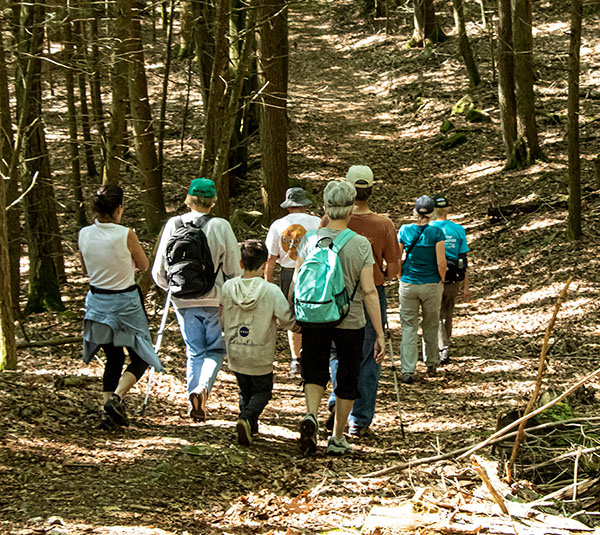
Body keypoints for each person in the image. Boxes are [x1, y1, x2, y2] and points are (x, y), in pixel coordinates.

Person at [295, 180, 385, 456]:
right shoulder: (359, 244)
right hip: (350, 319)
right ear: (350, 210)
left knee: (315, 368)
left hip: (313, 315)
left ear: (325, 207)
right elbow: (369, 291)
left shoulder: (309, 239)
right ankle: (337, 436)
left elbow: (298, 280)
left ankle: (311, 414)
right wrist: (380, 332)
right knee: (347, 375)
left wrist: (294, 314)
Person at [152, 178, 242, 422]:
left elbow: (158, 272)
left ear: (189, 198)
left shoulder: (173, 223)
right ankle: (201, 390)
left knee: (194, 351)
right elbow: (234, 268)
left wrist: (173, 290)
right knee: (215, 349)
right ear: (213, 201)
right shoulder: (221, 226)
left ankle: (191, 399)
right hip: (215, 300)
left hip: (182, 300)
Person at [79, 185, 164, 429]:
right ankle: (116, 399)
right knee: (141, 357)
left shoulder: (84, 233)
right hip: (125, 303)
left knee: (113, 357)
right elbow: (144, 265)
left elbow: (85, 270)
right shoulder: (126, 234)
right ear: (118, 209)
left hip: (97, 302)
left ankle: (108, 413)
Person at [328, 165, 400, 437]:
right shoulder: (383, 224)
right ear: (371, 190)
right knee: (370, 356)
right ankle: (359, 420)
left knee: (338, 352)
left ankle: (337, 403)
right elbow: (393, 270)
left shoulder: (329, 221)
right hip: (373, 294)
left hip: (334, 293)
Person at [220, 239, 297, 446]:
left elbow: (221, 316)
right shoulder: (270, 291)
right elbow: (286, 319)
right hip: (260, 350)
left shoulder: (228, 287)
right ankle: (246, 418)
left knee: (245, 390)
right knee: (263, 391)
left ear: (241, 264)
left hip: (235, 348)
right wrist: (298, 325)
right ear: (264, 265)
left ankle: (250, 429)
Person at [265, 187, 320, 374]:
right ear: (304, 204)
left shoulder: (278, 225)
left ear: (288, 206)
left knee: (291, 316)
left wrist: (268, 282)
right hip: (313, 272)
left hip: (288, 273)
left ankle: (295, 359)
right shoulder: (317, 222)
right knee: (313, 312)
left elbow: (271, 259)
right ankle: (312, 354)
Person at [397, 195, 446, 384]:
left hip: (409, 284)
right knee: (431, 323)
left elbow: (397, 256)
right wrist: (441, 279)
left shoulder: (404, 230)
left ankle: (407, 369)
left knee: (408, 327)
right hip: (431, 284)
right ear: (432, 213)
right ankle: (432, 362)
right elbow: (441, 261)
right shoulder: (436, 233)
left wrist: (400, 276)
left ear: (415, 211)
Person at [431, 194, 470, 365]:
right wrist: (466, 286)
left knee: (435, 313)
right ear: (448, 209)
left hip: (432, 276)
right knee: (448, 311)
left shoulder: (428, 228)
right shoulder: (458, 229)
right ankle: (444, 346)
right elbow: (464, 260)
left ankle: (438, 348)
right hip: (453, 278)